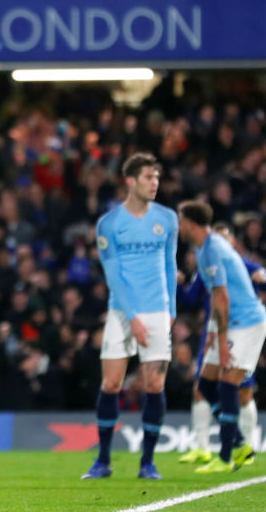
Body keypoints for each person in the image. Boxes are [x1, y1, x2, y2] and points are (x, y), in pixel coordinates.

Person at [82, 153, 178, 480]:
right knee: (111, 383)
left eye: (157, 177)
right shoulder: (109, 224)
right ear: (130, 181)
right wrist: (133, 318)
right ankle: (103, 460)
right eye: (149, 177)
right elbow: (113, 275)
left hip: (157, 310)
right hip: (123, 312)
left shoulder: (167, 219)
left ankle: (147, 463)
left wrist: (172, 311)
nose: (155, 183)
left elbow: (169, 265)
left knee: (154, 382)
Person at [177, 201, 266, 473]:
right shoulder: (206, 248)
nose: (178, 227)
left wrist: (223, 340)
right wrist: (214, 336)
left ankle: (227, 456)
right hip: (228, 324)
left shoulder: (213, 249)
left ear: (191, 223)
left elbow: (222, 297)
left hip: (246, 323)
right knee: (205, 386)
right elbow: (216, 300)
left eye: (181, 221)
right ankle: (239, 443)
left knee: (229, 386)